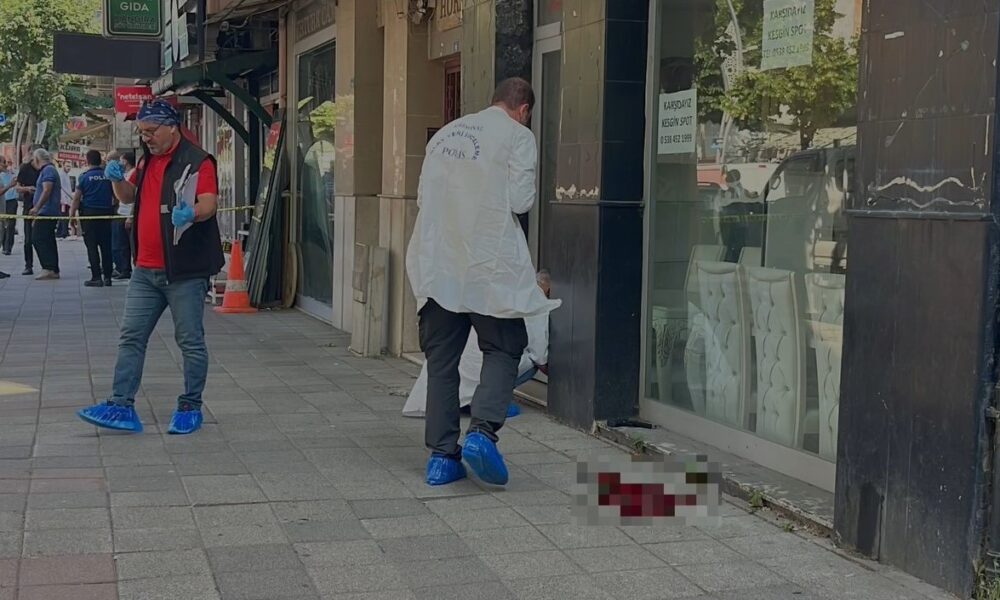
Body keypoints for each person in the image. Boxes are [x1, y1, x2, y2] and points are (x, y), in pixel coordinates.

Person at [406, 78, 560, 487]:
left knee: (442, 361)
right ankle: (482, 433)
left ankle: (442, 459)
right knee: (504, 346)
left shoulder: (444, 135)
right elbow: (521, 200)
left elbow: (423, 198)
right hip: (488, 264)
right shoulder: (518, 135)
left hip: (438, 263)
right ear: (524, 109)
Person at [76, 99, 223, 436]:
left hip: (184, 270)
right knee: (131, 336)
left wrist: (192, 213)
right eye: (142, 133)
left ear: (171, 127)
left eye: (151, 131)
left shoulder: (198, 161)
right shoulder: (146, 161)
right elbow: (129, 197)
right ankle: (120, 405)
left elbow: (209, 203)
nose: (146, 138)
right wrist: (117, 181)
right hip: (145, 269)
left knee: (190, 340)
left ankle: (190, 406)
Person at [403, 271, 552, 419]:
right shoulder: (536, 299)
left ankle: (469, 401)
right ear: (549, 289)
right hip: (489, 358)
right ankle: (492, 403)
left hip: (456, 360)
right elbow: (539, 354)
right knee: (528, 363)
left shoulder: (505, 289)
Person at [73, 150, 115, 287]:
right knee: (106, 246)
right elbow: (115, 195)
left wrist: (71, 215)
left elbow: (77, 198)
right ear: (100, 161)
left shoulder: (84, 177)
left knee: (92, 246)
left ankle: (96, 277)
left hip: (89, 215)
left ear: (87, 161)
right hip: (106, 213)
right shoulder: (108, 176)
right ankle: (108, 277)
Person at [28, 148, 61, 280]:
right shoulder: (49, 170)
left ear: (37, 159)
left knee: (38, 238)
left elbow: (47, 190)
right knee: (48, 239)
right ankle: (53, 268)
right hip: (47, 210)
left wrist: (37, 207)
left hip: (46, 211)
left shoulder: (48, 170)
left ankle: (48, 267)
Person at [14, 149, 40, 275]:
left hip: (43, 207)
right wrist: (28, 188)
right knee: (28, 238)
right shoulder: (25, 168)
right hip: (29, 205)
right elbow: (17, 187)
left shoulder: (46, 168)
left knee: (43, 238)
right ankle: (28, 265)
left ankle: (49, 266)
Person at [111, 152, 135, 280]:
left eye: (121, 160)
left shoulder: (133, 173)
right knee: (119, 244)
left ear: (126, 161)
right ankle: (121, 267)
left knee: (126, 245)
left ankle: (126, 269)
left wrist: (130, 216)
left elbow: (134, 197)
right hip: (121, 211)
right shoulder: (125, 174)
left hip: (127, 213)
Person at [0, 158, 18, 259]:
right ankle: (4, 245)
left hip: (11, 201)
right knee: (3, 226)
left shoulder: (14, 173)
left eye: (8, 163)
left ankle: (8, 247)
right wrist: (9, 185)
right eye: (4, 163)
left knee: (10, 225)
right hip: (3, 203)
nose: (6, 165)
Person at [57, 163, 73, 239]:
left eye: (70, 166)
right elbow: (62, 188)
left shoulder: (67, 175)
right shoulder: (61, 175)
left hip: (67, 199)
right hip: (63, 199)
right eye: (67, 166)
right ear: (63, 166)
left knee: (64, 215)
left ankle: (60, 231)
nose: (68, 168)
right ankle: (64, 232)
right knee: (64, 215)